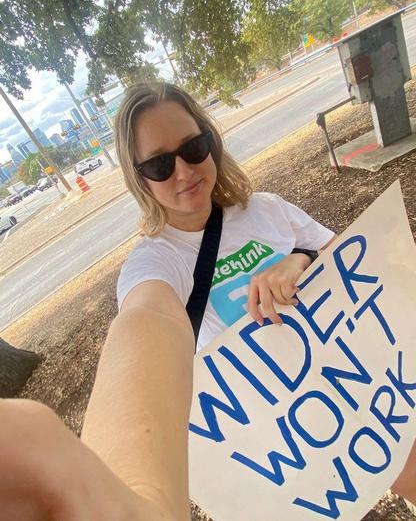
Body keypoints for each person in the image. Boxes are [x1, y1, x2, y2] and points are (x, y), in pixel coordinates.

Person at [0, 82, 414, 520]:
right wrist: (127, 495)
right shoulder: (156, 262)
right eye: (159, 164)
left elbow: (355, 264)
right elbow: (146, 321)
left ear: (210, 141)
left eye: (193, 147)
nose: (183, 171)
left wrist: (298, 260)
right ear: (139, 178)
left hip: (365, 399)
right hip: (289, 455)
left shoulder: (267, 209)